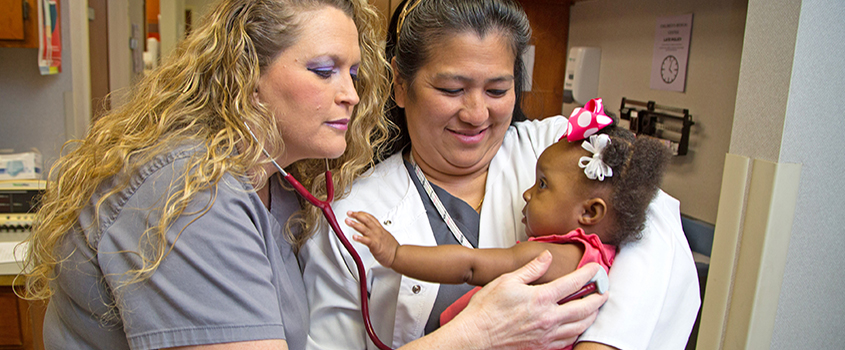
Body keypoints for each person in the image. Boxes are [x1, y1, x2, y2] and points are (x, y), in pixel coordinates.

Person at [21, 0, 606, 349]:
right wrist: (474, 334)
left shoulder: (277, 188)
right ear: (244, 72)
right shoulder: (188, 197)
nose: (351, 94)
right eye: (324, 70)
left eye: (353, 71)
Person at [299, 0, 702, 349]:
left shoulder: (563, 150)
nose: (476, 114)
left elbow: (653, 226)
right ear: (401, 86)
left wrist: (604, 344)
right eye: (452, 89)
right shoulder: (350, 218)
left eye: (496, 91)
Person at [346, 99, 672, 349]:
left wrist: (396, 254)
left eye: (543, 185)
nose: (528, 193)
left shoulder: (554, 257)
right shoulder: (600, 258)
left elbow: (470, 266)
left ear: (589, 213)